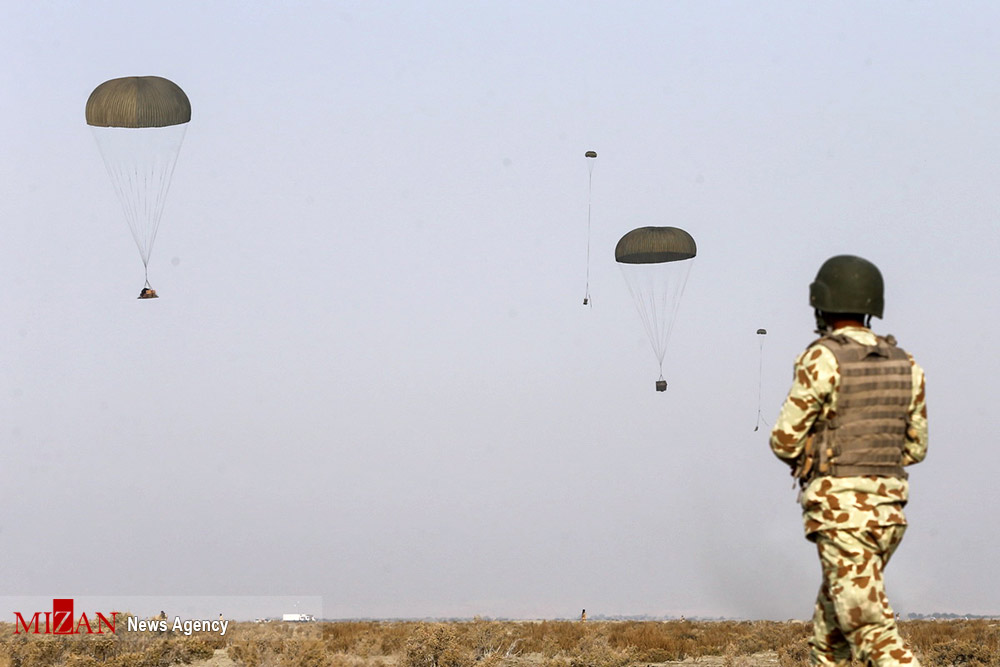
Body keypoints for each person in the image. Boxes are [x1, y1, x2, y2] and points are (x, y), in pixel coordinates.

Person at [770, 255, 927, 667]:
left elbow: (784, 440)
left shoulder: (823, 358)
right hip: (889, 514)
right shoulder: (906, 364)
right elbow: (916, 448)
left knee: (870, 629)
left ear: (822, 305)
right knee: (829, 636)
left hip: (842, 516)